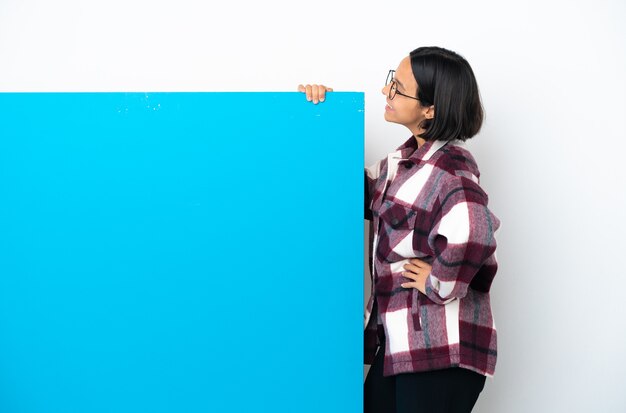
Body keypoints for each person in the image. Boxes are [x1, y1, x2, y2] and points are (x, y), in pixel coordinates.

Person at [299, 46, 500, 413]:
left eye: (398, 88)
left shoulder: (450, 170)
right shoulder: (400, 165)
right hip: (402, 347)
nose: (385, 92)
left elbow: (476, 230)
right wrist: (318, 118)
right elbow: (343, 194)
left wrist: (437, 279)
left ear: (430, 109)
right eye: (392, 81)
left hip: (439, 353)